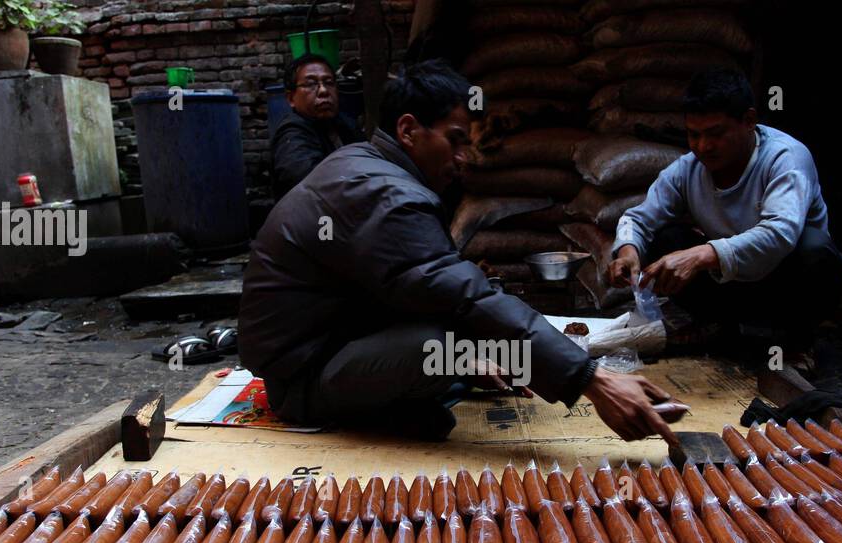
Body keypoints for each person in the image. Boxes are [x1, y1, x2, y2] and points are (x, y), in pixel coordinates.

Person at [240, 60, 678, 445]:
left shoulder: (366, 164)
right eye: (454, 140)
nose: (465, 158)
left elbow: (427, 290)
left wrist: (477, 360)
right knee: (442, 342)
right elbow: (467, 298)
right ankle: (371, 409)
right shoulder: (384, 194)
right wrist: (592, 379)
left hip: (325, 351)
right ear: (408, 130)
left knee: (460, 343)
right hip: (302, 381)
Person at [607, 67, 842, 370]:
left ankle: (797, 342)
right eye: (694, 134)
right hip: (733, 286)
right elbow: (639, 218)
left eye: (715, 134)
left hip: (785, 285)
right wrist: (628, 251)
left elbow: (779, 234)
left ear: (748, 121)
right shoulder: (688, 169)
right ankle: (716, 325)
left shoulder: (786, 158)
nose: (703, 146)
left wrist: (701, 254)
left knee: (815, 250)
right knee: (664, 240)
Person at [270, 53, 365, 200]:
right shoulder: (292, 133)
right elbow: (310, 185)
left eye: (329, 82)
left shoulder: (344, 124)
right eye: (310, 84)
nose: (323, 91)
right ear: (291, 98)